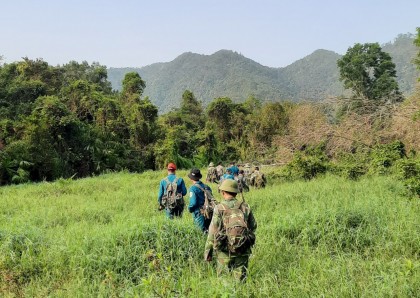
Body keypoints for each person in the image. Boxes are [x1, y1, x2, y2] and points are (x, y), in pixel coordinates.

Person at [204, 179, 257, 281]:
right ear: (235, 193)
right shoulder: (245, 206)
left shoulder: (219, 208)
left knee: (224, 280)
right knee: (240, 280)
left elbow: (212, 232)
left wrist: (208, 252)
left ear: (223, 192)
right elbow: (253, 226)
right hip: (243, 248)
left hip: (224, 250)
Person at [188, 168, 213, 232]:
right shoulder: (207, 187)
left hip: (199, 213)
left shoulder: (193, 188)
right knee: (208, 231)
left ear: (191, 178)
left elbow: (193, 203)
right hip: (209, 211)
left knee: (200, 232)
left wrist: (190, 209)